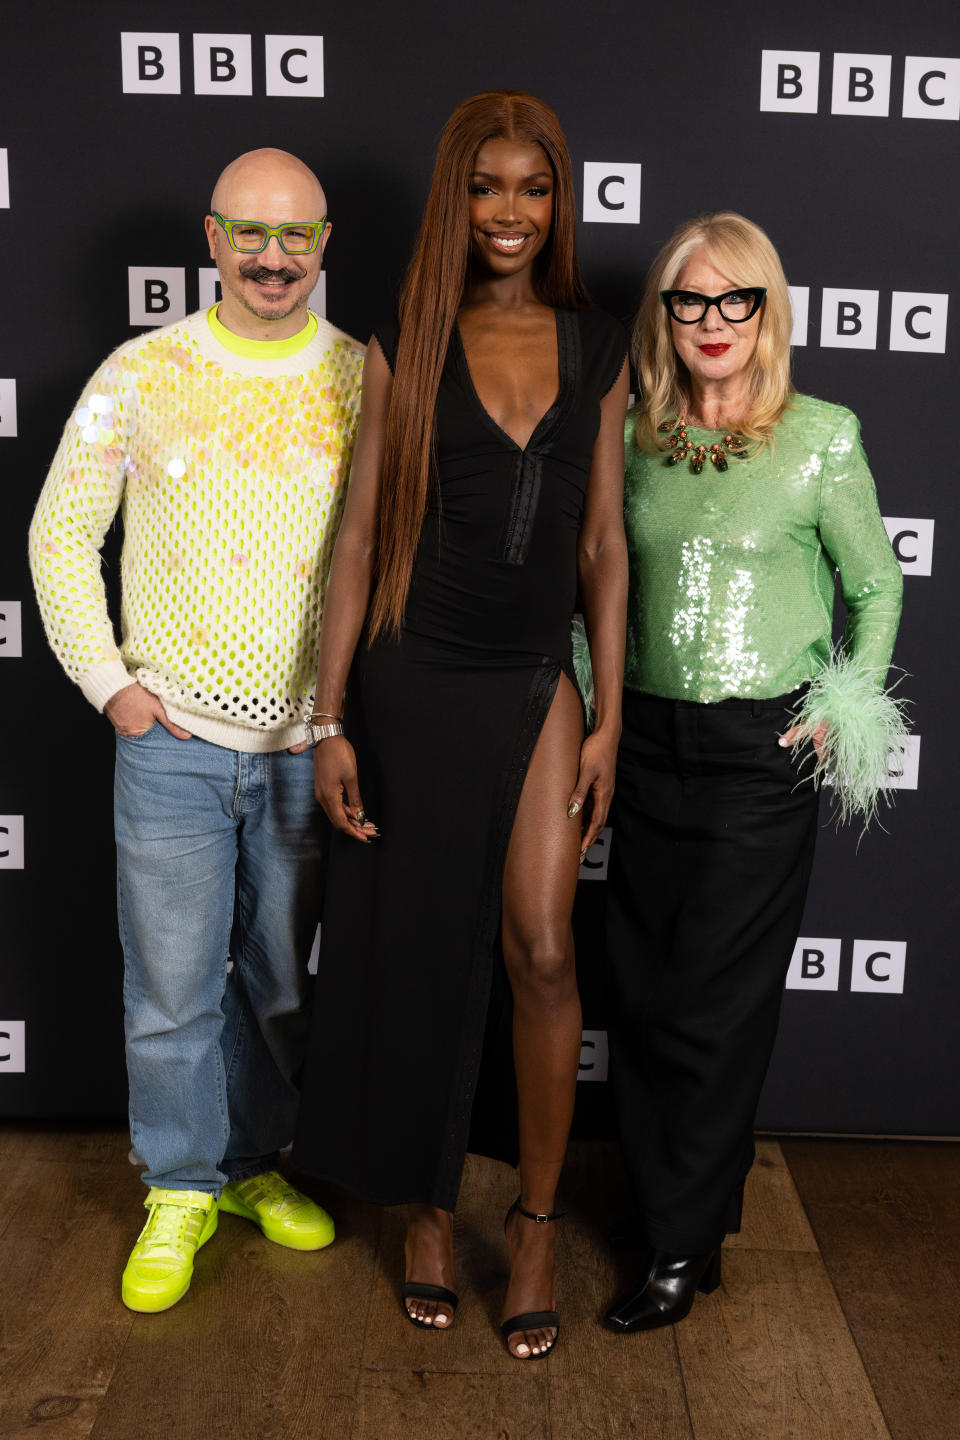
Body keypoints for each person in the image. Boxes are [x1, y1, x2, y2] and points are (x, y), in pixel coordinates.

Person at [292, 91, 629, 1360]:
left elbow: (602, 543)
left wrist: (608, 716)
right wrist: (332, 717)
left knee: (543, 945)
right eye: (486, 188)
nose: (508, 212)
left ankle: (533, 1222)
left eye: (532, 189)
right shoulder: (407, 336)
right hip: (412, 673)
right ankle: (428, 1214)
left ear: (558, 201)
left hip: (536, 673)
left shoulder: (597, 346)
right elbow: (360, 538)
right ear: (457, 197)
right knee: (423, 949)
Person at [28, 148, 365, 1313]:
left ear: (325, 243)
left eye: (298, 237)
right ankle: (177, 1185)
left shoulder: (365, 381)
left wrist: (346, 719)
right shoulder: (143, 371)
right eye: (251, 235)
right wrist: (112, 686)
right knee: (171, 990)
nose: (275, 260)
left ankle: (251, 1170)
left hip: (302, 753)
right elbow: (62, 533)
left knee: (279, 984)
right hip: (168, 744)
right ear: (212, 238)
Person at [603, 212, 907, 1333]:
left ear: (768, 313)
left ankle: (681, 1247)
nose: (714, 322)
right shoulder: (632, 432)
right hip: (643, 745)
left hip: (755, 755)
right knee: (638, 991)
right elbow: (604, 592)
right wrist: (591, 708)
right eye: (692, 300)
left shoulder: (822, 435)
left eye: (739, 301)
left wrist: (846, 699)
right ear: (666, 315)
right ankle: (672, 1212)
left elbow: (875, 585)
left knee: (714, 1009)